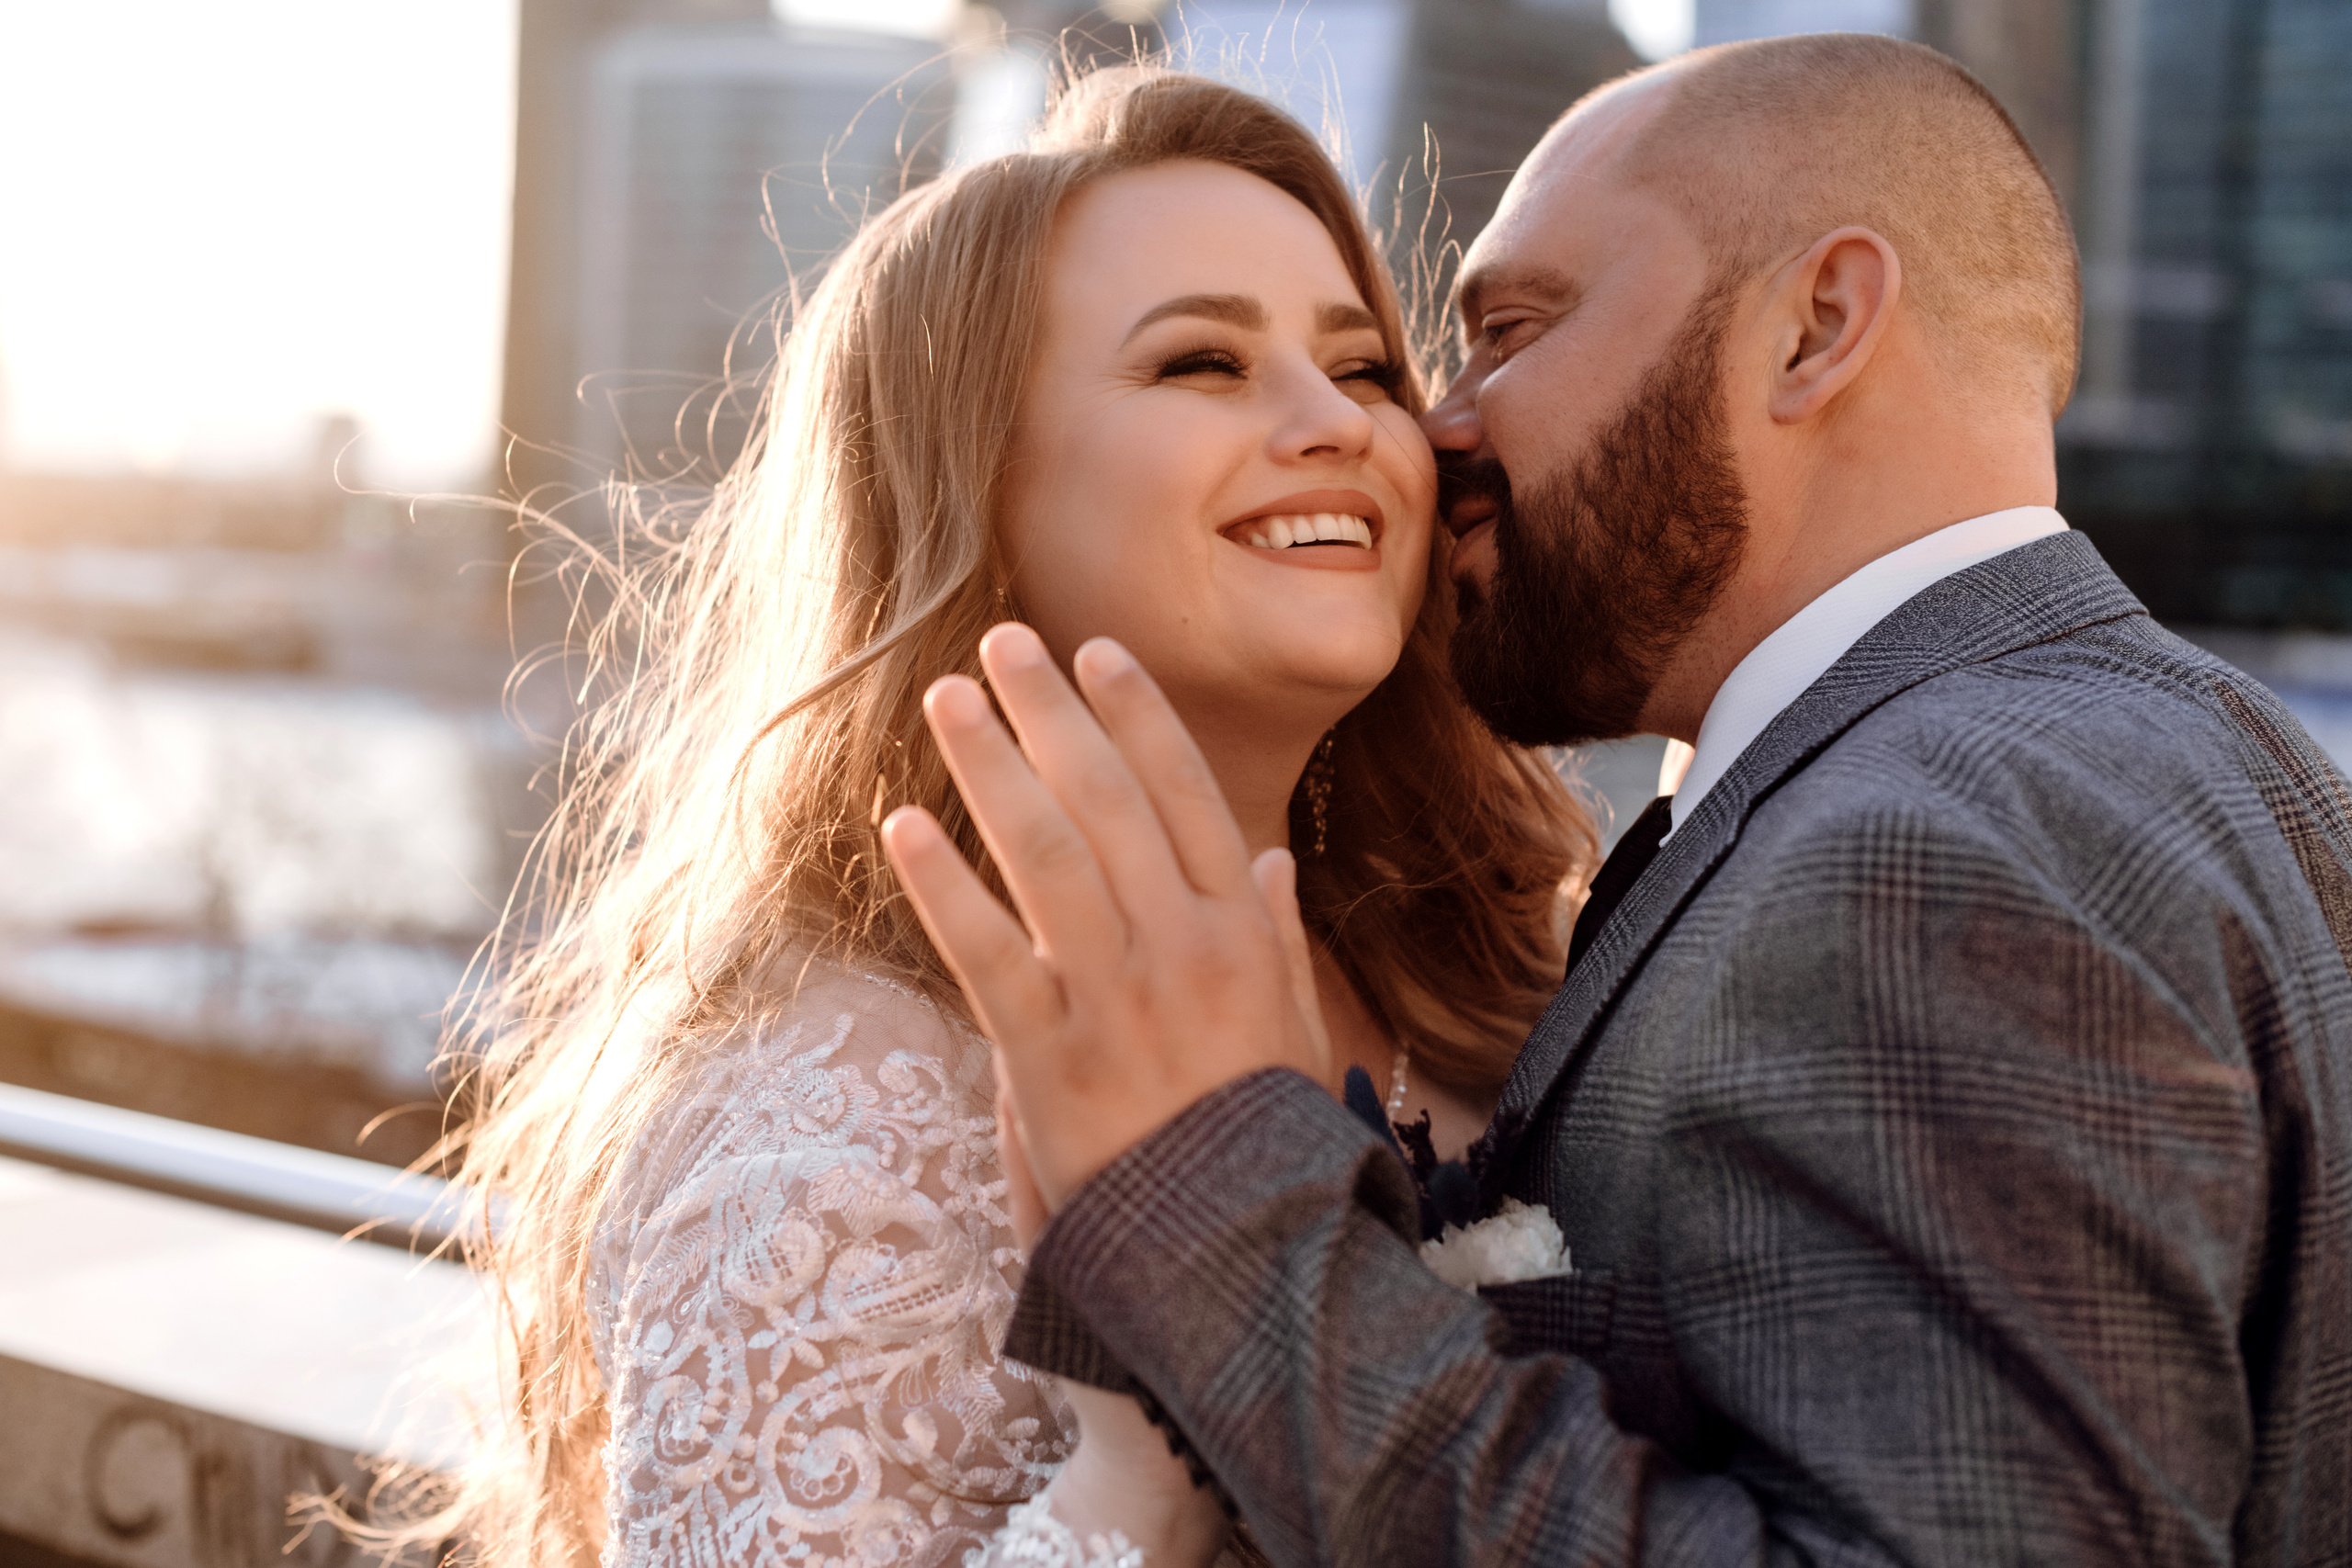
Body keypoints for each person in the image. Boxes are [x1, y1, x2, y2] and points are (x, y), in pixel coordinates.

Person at [886, 33, 2352, 1566]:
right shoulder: (2228, 763)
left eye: (1511, 329)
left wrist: (1230, 1226)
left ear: (1817, 327)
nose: (1435, 425)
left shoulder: (1925, 852)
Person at [427, 66, 1596, 1568]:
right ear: (975, 492)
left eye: (1365, 367)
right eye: (1201, 365)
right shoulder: (826, 1115)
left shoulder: (1497, 962)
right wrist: (1136, 1468)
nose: (1345, 427)